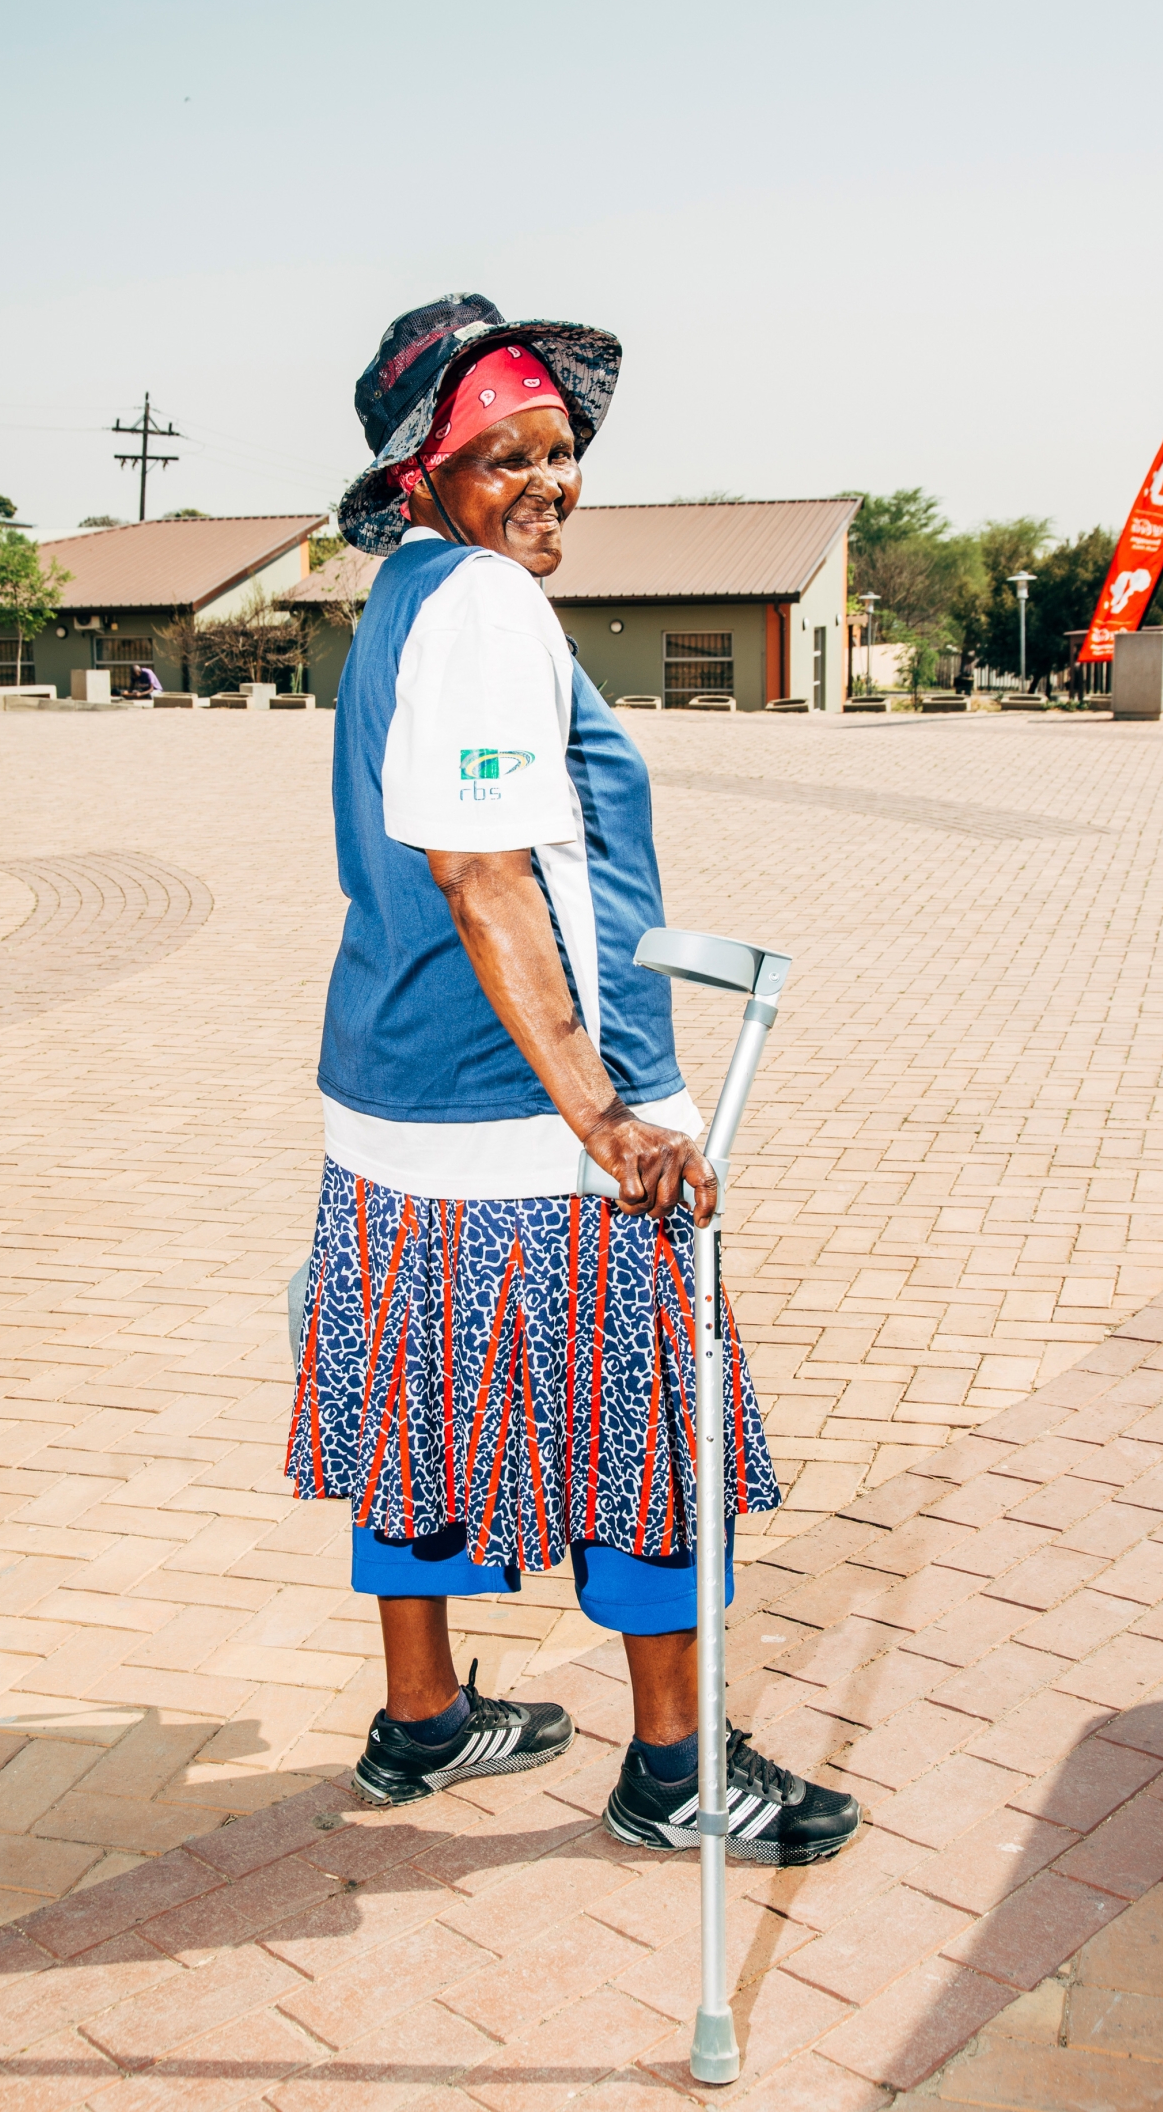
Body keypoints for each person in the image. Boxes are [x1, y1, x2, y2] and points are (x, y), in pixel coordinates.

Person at [286, 294, 859, 1867]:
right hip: (528, 1123)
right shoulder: (481, 606)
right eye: (503, 454)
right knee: (655, 1436)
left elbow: (500, 852)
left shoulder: (405, 596)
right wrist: (605, 1109)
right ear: (423, 474)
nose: (549, 479)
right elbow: (480, 871)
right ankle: (676, 1768)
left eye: (560, 449)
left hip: (395, 1089)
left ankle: (422, 1719)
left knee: (411, 1411)